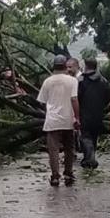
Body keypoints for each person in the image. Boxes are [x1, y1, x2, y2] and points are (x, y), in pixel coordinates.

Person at [37, 55, 81, 187]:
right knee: (69, 148)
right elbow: (74, 99)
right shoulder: (72, 81)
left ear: (54, 66)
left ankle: (55, 176)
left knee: (53, 150)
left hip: (52, 120)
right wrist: (77, 117)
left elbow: (42, 102)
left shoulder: (47, 82)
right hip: (68, 119)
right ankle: (68, 174)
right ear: (64, 65)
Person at [78, 58, 110, 169]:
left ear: (86, 66)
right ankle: (89, 159)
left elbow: (76, 97)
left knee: (85, 136)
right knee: (94, 137)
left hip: (84, 113)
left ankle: (90, 158)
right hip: (99, 114)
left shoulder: (81, 80)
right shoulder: (103, 81)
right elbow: (109, 97)